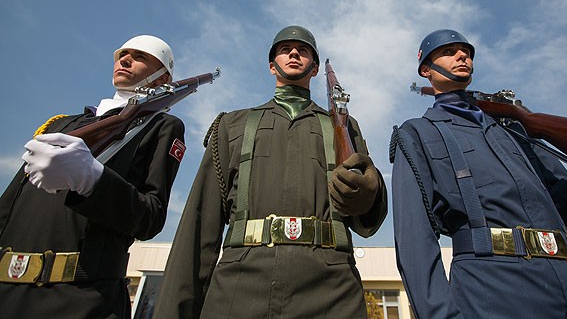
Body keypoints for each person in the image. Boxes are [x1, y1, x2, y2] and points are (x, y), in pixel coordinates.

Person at [154, 25, 387, 318]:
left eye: (303, 50)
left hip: (331, 286)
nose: (293, 53)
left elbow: (368, 219)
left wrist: (369, 193)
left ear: (314, 69)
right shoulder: (232, 126)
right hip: (240, 285)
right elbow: (200, 227)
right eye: (285, 48)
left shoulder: (343, 127)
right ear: (270, 66)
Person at [390, 29, 567, 318]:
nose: (462, 55)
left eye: (466, 51)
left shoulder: (516, 128)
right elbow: (415, 241)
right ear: (426, 69)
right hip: (493, 289)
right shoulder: (417, 133)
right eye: (449, 51)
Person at [0, 35, 186, 318]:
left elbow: (150, 216)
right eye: (123, 54)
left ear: (162, 79)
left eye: (140, 57)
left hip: (81, 298)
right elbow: (11, 202)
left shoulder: (160, 126)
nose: (124, 60)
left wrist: (93, 179)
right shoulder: (62, 124)